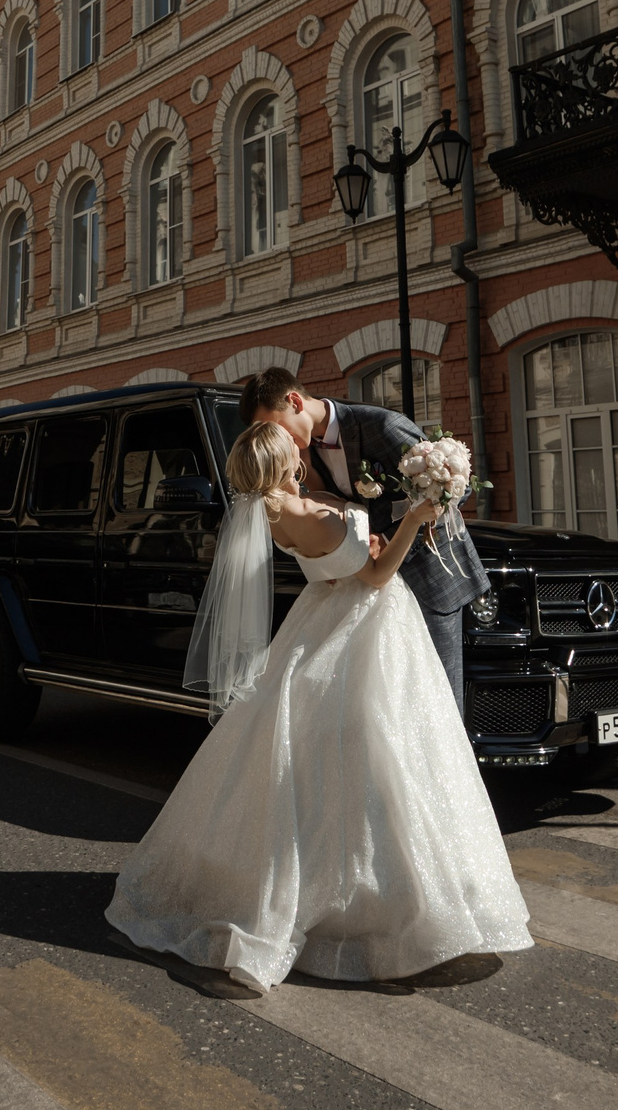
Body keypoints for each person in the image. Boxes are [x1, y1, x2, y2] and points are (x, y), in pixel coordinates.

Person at [104, 421, 532, 995]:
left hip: (319, 619)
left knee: (320, 761)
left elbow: (340, 556)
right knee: (388, 753)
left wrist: (363, 533)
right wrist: (413, 519)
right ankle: (385, 903)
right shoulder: (310, 514)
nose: (300, 457)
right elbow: (377, 576)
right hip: (363, 628)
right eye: (292, 453)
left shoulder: (273, 512)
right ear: (282, 462)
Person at [239, 366, 485, 714]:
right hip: (370, 596)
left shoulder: (381, 426)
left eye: (275, 427)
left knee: (438, 705)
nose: (281, 440)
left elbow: (450, 494)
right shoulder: (303, 453)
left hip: (428, 580)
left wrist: (383, 537)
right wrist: (342, 554)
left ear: (294, 401)